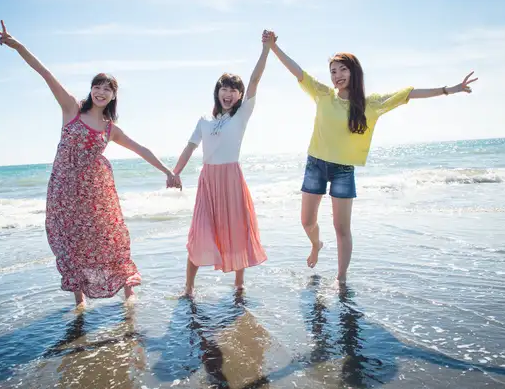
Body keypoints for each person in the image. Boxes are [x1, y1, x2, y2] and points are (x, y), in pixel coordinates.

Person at [262, 30, 477, 285]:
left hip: (344, 170)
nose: (337, 75)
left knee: (342, 229)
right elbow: (297, 71)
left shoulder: (370, 104)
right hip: (316, 165)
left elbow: (408, 93)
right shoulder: (323, 94)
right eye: (333, 71)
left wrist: (449, 89)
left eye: (342, 69)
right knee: (307, 221)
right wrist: (273, 47)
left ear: (354, 72)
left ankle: (341, 279)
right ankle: (316, 244)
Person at [0, 20, 179, 307]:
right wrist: (17, 46)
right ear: (90, 89)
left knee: (109, 237)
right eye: (97, 87)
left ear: (114, 95)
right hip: (64, 188)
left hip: (95, 193)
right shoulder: (72, 109)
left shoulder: (109, 128)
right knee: (70, 240)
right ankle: (79, 299)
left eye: (107, 89)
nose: (101, 92)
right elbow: (45, 73)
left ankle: (128, 288)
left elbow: (140, 148)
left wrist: (167, 170)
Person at [172, 31, 271, 296]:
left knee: (237, 230)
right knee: (199, 232)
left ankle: (239, 284)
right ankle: (189, 288)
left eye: (233, 90)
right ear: (217, 92)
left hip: (231, 179)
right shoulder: (204, 120)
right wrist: (175, 172)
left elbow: (255, 79)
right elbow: (190, 147)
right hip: (208, 181)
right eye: (224, 89)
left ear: (240, 95)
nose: (228, 93)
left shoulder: (241, 115)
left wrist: (266, 49)